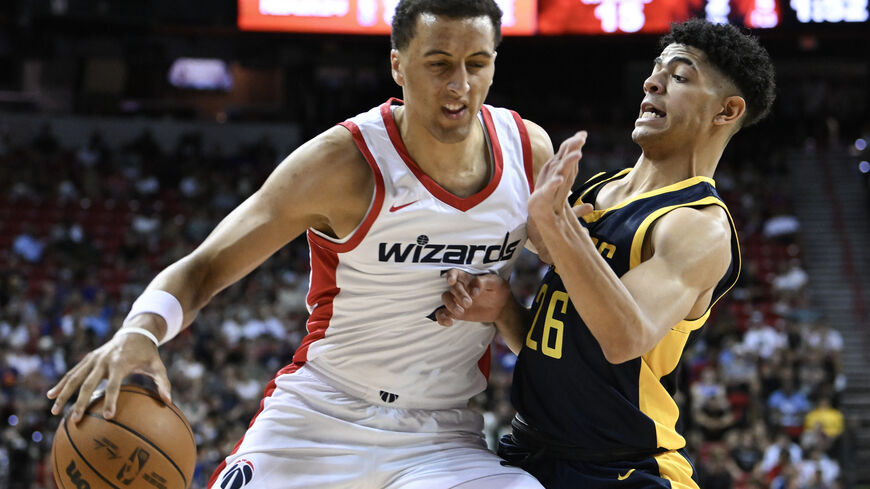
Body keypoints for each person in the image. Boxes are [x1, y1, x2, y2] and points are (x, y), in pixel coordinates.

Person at [46, 1, 556, 487]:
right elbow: (205, 267)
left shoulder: (527, 153)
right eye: (438, 63)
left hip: (442, 435)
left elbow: (569, 314)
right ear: (398, 66)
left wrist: (511, 301)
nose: (459, 84)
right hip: (319, 418)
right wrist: (142, 329)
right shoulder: (341, 164)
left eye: (477, 63)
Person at [437, 19, 776, 488]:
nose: (652, 81)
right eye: (656, 70)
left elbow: (622, 338)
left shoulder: (699, 227)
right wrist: (504, 311)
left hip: (621, 467)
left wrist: (558, 228)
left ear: (726, 111)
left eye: (679, 76)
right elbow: (570, 352)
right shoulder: (600, 190)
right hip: (529, 450)